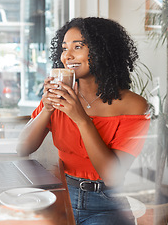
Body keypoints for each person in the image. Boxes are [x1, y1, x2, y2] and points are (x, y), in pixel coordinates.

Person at [17, 17, 151, 225]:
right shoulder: (61, 97)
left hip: (106, 203)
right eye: (64, 48)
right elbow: (21, 148)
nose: (67, 56)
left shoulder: (134, 106)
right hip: (60, 195)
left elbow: (112, 176)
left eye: (77, 47)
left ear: (103, 51)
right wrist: (46, 109)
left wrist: (82, 119)